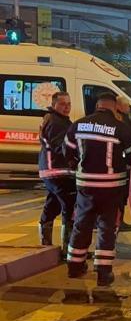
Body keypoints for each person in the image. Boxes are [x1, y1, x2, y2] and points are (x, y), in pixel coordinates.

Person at [63, 92, 131, 286]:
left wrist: (79, 164)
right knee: (107, 227)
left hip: (86, 185)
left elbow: (66, 152)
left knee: (82, 224)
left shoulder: (77, 125)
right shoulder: (121, 129)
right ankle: (103, 273)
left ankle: (74, 266)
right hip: (112, 186)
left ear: (98, 105)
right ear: (115, 107)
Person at [38, 91, 76, 258]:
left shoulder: (56, 120)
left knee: (53, 204)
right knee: (69, 206)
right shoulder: (57, 122)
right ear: (54, 105)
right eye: (62, 104)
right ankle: (68, 248)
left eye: (68, 104)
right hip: (58, 171)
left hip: (52, 171)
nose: (66, 107)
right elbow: (61, 146)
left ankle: (45, 244)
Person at [114, 97, 131, 232]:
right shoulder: (121, 121)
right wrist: (128, 162)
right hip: (122, 164)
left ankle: (118, 221)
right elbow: (128, 145)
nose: (129, 108)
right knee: (120, 195)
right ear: (120, 106)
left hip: (122, 163)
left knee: (121, 195)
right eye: (127, 105)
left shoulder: (122, 119)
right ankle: (118, 222)